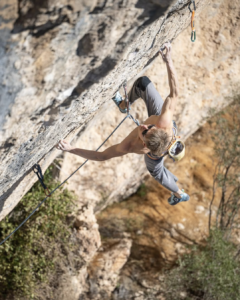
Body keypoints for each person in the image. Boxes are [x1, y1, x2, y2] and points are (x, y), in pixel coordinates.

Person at [56, 42, 190, 205]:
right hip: (165, 134)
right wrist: (169, 60)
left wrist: (71, 149)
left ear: (143, 142)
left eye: (144, 132)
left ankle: (178, 193)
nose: (143, 126)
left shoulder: (133, 147)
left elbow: (101, 156)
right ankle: (123, 104)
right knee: (143, 83)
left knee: (158, 172)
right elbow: (174, 93)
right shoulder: (164, 121)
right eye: (149, 127)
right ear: (159, 127)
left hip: (156, 153)